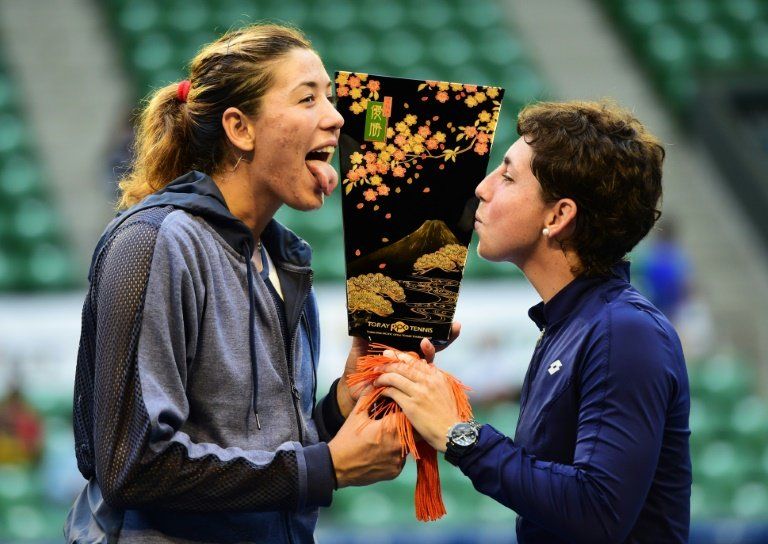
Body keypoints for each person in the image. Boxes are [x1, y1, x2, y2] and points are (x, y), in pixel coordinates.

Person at [65, 24, 408, 543]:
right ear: (240, 128)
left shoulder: (284, 258)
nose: (338, 118)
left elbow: (258, 447)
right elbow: (133, 464)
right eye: (308, 98)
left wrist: (344, 399)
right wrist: (325, 469)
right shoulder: (155, 241)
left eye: (332, 99)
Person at [376, 101, 691, 543]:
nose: (482, 188)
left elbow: (598, 511)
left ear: (558, 216)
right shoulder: (574, 325)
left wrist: (458, 433)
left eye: (506, 176)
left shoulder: (625, 331)